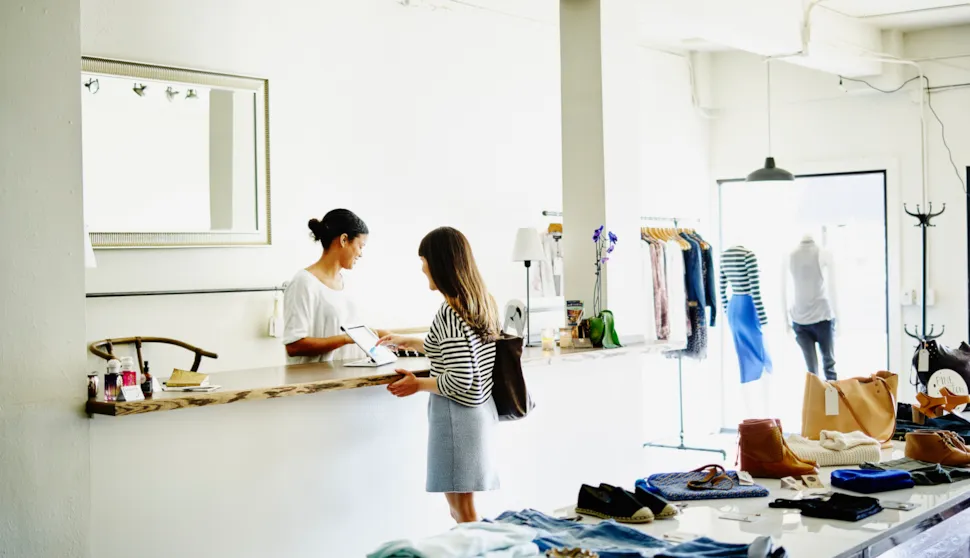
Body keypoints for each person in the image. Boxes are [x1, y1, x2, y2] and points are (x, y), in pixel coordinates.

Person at [379, 227, 500, 523]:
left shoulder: (450, 312)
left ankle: (482, 548)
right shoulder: (480, 302)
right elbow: (460, 352)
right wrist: (409, 341)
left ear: (439, 262)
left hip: (457, 418)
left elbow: (460, 379)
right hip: (477, 414)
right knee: (462, 509)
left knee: (463, 511)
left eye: (424, 261)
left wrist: (417, 384)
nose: (422, 268)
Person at [283, 209, 388, 363]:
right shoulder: (304, 283)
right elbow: (294, 346)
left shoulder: (349, 284)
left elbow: (349, 329)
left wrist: (381, 335)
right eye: (361, 246)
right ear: (344, 240)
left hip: (354, 374)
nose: (361, 254)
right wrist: (345, 339)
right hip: (319, 377)